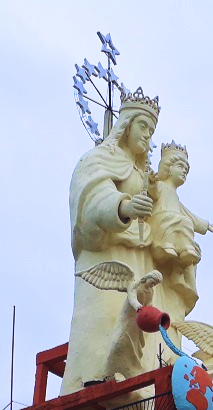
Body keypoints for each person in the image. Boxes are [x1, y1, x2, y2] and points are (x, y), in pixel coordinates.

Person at [64, 88, 180, 393]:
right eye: (143, 126)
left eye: (152, 131)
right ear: (126, 124)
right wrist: (123, 207)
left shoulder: (147, 176)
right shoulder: (99, 159)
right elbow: (90, 197)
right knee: (106, 336)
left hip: (141, 264)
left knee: (145, 339)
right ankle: (95, 381)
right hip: (108, 262)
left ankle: (144, 396)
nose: (148, 136)